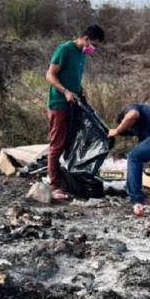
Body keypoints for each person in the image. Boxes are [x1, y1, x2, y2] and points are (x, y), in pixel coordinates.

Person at [43, 25, 105, 201]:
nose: (93, 48)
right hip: (59, 104)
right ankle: (54, 185)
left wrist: (80, 89)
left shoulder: (82, 54)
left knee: (71, 142)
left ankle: (66, 180)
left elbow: (73, 76)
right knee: (57, 144)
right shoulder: (65, 49)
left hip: (74, 103)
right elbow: (50, 75)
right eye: (93, 44)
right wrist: (65, 92)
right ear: (85, 38)